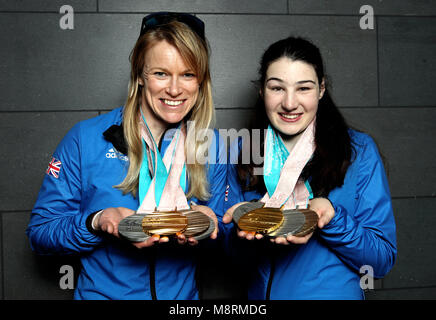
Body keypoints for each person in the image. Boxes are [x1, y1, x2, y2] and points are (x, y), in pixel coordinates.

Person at [26, 12, 227, 300]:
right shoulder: (85, 139)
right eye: (160, 73)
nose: (174, 89)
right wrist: (96, 221)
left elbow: (229, 247)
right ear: (140, 76)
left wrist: (209, 227)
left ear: (201, 82)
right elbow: (40, 233)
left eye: (188, 74)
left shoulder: (214, 147)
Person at [224, 36, 397, 299]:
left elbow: (381, 261)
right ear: (262, 90)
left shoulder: (359, 151)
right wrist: (240, 233)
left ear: (321, 89)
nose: (290, 103)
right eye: (277, 88)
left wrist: (333, 218)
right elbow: (234, 262)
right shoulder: (243, 151)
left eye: (303, 88)